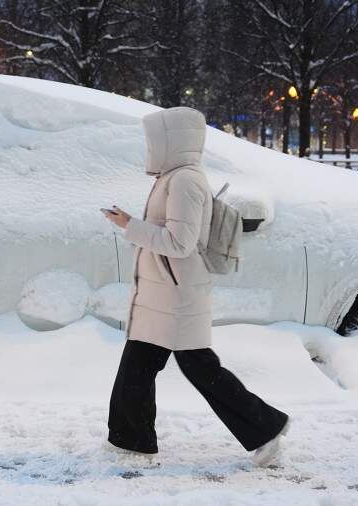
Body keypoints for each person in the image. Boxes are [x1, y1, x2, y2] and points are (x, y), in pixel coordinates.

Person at [101, 106, 290, 467]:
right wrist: (133, 225)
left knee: (200, 369)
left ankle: (266, 427)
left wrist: (130, 225)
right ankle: (131, 439)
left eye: (154, 139)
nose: (149, 146)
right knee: (138, 365)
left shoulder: (185, 180)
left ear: (172, 141)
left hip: (176, 297)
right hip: (162, 294)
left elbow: (180, 243)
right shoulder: (172, 177)